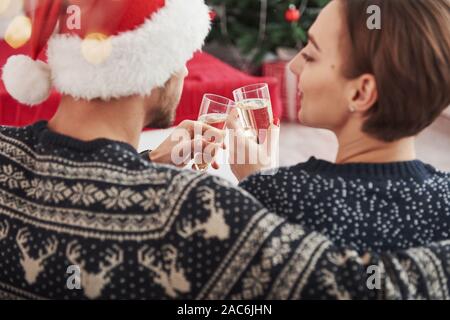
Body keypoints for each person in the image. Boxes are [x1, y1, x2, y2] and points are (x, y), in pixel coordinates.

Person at [0, 0, 449, 300]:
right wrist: (255, 187)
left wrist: (146, 163)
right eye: (184, 54)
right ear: (156, 66)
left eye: (309, 53)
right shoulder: (193, 209)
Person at [230, 0, 450, 253]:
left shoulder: (284, 198)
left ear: (361, 93)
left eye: (311, 56)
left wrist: (256, 183)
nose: (294, 65)